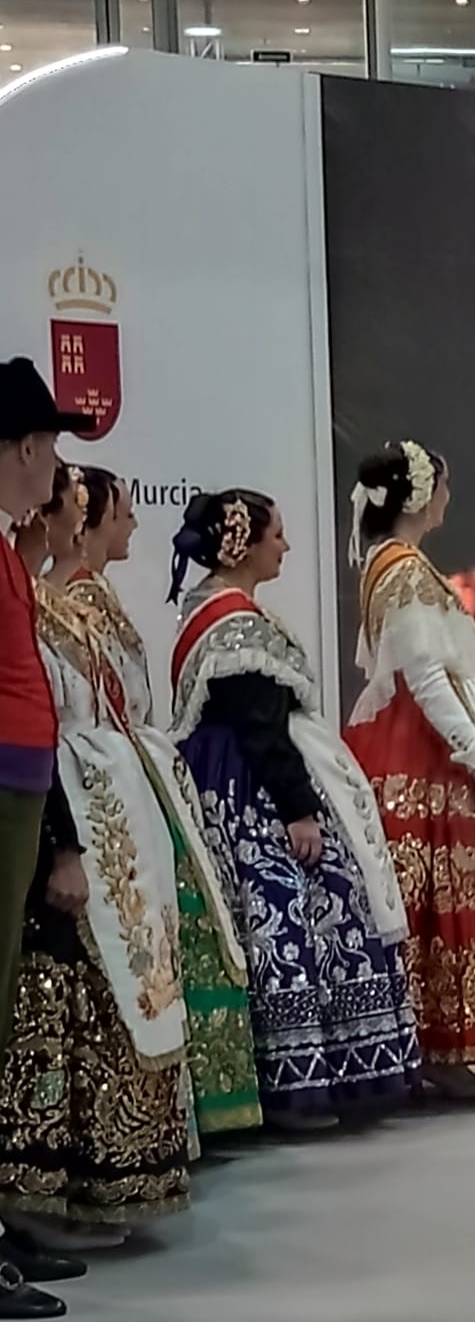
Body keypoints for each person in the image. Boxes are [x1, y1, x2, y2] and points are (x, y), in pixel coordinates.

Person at [168, 490, 420, 1132]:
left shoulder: (213, 610)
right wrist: (298, 810)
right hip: (250, 785)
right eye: (276, 534)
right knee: (291, 911)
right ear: (242, 546)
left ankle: (308, 1075)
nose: (284, 545)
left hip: (228, 776)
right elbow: (261, 728)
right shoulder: (236, 626)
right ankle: (296, 1081)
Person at [0, 467, 190, 1268]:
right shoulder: (39, 601)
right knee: (49, 996)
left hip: (78, 804)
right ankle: (34, 1194)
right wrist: (64, 842)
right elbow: (36, 721)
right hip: (54, 808)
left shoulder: (51, 601)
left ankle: (68, 1190)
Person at [343, 443, 475, 1098]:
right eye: (440, 486)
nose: (446, 499)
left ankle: (433, 1048)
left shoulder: (392, 565)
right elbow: (426, 674)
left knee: (430, 899)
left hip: (414, 742)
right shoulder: (405, 571)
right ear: (417, 497)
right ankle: (441, 1048)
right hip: (427, 752)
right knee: (443, 897)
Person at [68, 465, 262, 1136]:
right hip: (114, 776)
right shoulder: (77, 599)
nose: (133, 523)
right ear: (90, 522)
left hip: (140, 769)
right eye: (123, 513)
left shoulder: (94, 593)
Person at [0, 360, 94, 1321]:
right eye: (52, 449)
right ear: (25, 446)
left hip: (18, 790)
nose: (56, 469)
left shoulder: (3, 549)